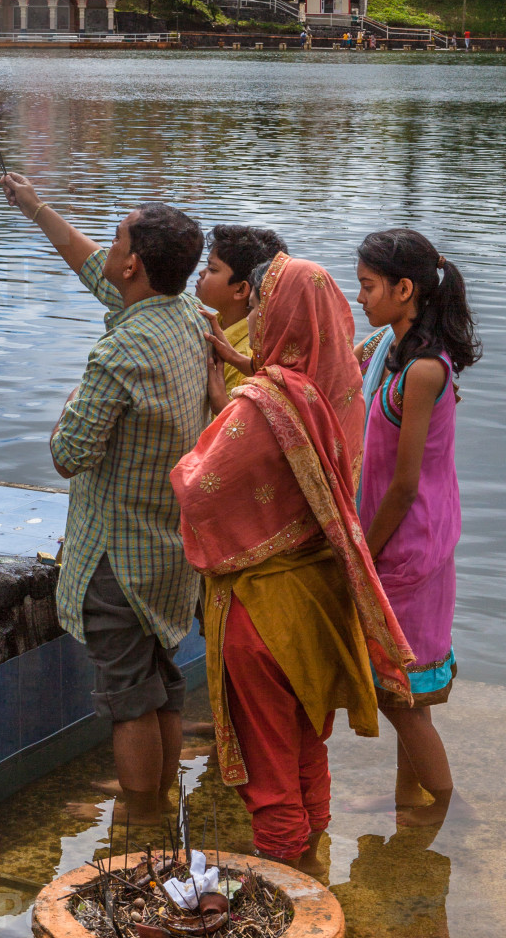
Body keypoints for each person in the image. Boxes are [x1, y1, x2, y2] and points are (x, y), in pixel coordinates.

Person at [172, 254, 413, 865]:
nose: (253, 314)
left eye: (261, 307)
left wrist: (195, 445)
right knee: (307, 748)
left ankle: (284, 895)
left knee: (268, 770)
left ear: (279, 316)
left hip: (263, 609)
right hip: (318, 598)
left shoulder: (265, 402)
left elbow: (199, 488)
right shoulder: (340, 389)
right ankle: (317, 879)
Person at [0, 172, 208, 819]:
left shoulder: (120, 353)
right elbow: (94, 268)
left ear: (136, 264)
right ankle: (163, 810)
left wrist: (66, 409)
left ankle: (142, 822)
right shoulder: (185, 314)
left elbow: (68, 456)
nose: (109, 246)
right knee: (161, 689)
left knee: (127, 700)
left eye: (118, 236)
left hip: (117, 562)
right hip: (169, 553)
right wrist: (36, 208)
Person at [355, 229, 480, 819]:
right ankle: (410, 802)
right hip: (407, 542)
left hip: (406, 548)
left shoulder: (424, 371)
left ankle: (442, 807)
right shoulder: (395, 352)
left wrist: (362, 551)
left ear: (405, 290)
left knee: (399, 698)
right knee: (413, 693)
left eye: (369, 286)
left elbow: (405, 485)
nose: (361, 297)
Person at [195, 225, 286, 390]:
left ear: (241, 289)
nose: (201, 273)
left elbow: (229, 414)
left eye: (212, 269)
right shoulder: (216, 321)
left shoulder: (245, 356)